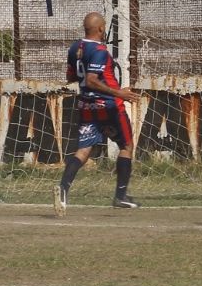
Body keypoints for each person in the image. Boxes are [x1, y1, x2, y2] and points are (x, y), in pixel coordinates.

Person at [54, 12, 141, 217]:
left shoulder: (75, 48)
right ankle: (121, 196)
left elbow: (71, 77)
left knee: (83, 151)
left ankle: (63, 190)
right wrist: (119, 92)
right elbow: (92, 79)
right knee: (126, 146)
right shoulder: (100, 50)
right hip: (109, 107)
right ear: (101, 29)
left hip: (86, 105)